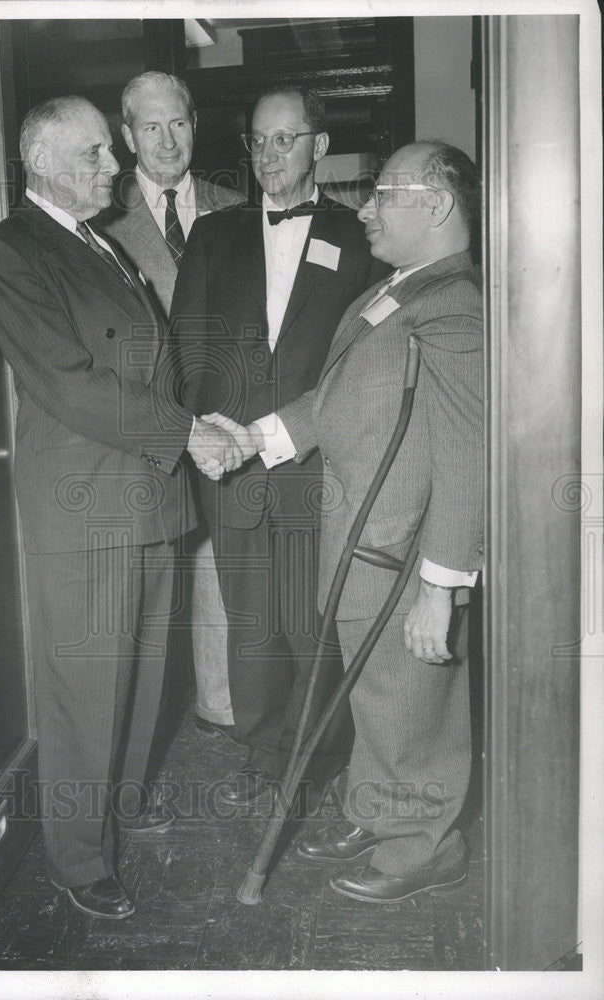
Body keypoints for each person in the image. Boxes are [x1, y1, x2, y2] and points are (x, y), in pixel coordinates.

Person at [0, 96, 244, 921]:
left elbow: (151, 368)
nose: (113, 165)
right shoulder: (8, 250)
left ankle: (120, 804)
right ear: (43, 160)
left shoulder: (95, 240)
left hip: (149, 493)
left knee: (142, 674)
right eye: (94, 153)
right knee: (85, 686)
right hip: (85, 505)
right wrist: (187, 433)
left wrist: (203, 423)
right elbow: (69, 383)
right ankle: (78, 857)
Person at [203, 140, 484, 902]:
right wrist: (253, 442)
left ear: (434, 204)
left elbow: (466, 453)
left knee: (408, 699)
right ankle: (375, 807)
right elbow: (333, 404)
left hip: (400, 552)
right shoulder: (391, 293)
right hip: (356, 542)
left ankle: (425, 839)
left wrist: (443, 583)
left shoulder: (453, 306)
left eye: (383, 194)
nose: (365, 209)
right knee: (373, 696)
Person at [170, 85, 385, 805]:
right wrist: (205, 434)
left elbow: (368, 364)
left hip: (314, 464)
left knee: (308, 620)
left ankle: (312, 753)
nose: (268, 155)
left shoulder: (361, 238)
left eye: (284, 140)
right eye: (258, 141)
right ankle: (262, 750)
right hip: (228, 466)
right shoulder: (213, 234)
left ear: (318, 147)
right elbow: (186, 346)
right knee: (250, 622)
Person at [100, 71, 244, 747]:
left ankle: (219, 710)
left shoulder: (236, 209)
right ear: (126, 136)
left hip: (223, 427)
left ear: (195, 124)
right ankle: (142, 735)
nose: (166, 141)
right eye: (149, 127)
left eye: (177, 124)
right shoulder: (96, 220)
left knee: (219, 568)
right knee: (149, 585)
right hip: (144, 432)